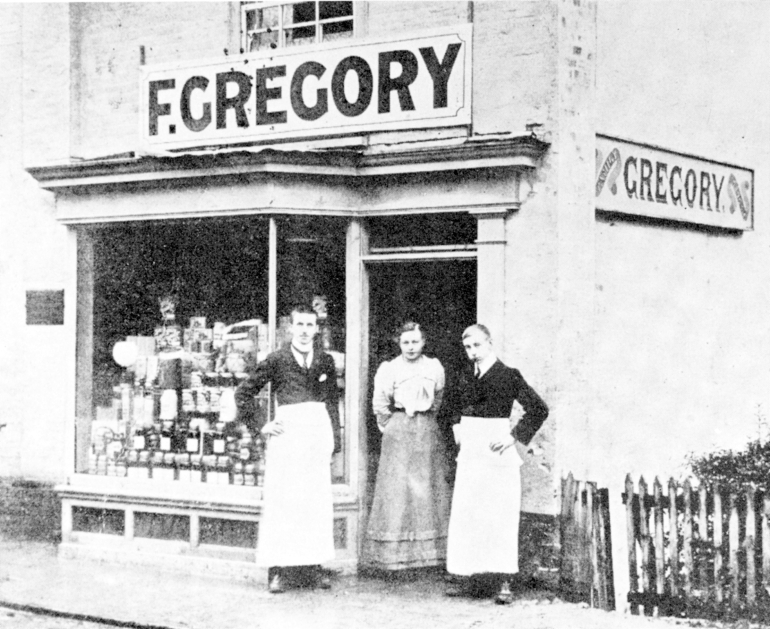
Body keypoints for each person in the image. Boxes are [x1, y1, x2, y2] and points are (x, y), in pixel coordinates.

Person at [235, 305, 341, 593]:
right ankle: (277, 570)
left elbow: (331, 402)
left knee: (314, 501)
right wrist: (262, 425)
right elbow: (243, 393)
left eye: (311, 325)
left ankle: (314, 566)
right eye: (300, 325)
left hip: (316, 436)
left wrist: (334, 442)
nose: (306, 330)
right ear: (290, 328)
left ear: (317, 328)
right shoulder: (277, 359)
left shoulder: (325, 361)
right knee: (284, 501)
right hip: (288, 437)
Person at [445, 324, 549, 604]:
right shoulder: (463, 375)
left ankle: (504, 579)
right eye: (468, 347)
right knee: (470, 512)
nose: (473, 352)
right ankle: (469, 574)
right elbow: (449, 407)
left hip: (496, 449)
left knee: (499, 514)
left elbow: (539, 409)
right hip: (470, 450)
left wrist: (512, 437)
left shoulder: (508, 375)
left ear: (489, 343)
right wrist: (456, 425)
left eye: (477, 346)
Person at [363, 322, 452, 571]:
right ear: (398, 343)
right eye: (405, 342)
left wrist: (425, 420)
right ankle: (394, 558)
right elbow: (380, 405)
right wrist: (393, 426)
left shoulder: (434, 367)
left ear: (423, 342)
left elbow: (439, 400)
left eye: (415, 342)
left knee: (425, 487)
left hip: (426, 427)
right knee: (398, 488)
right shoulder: (389, 368)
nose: (411, 347)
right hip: (399, 427)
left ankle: (428, 556)